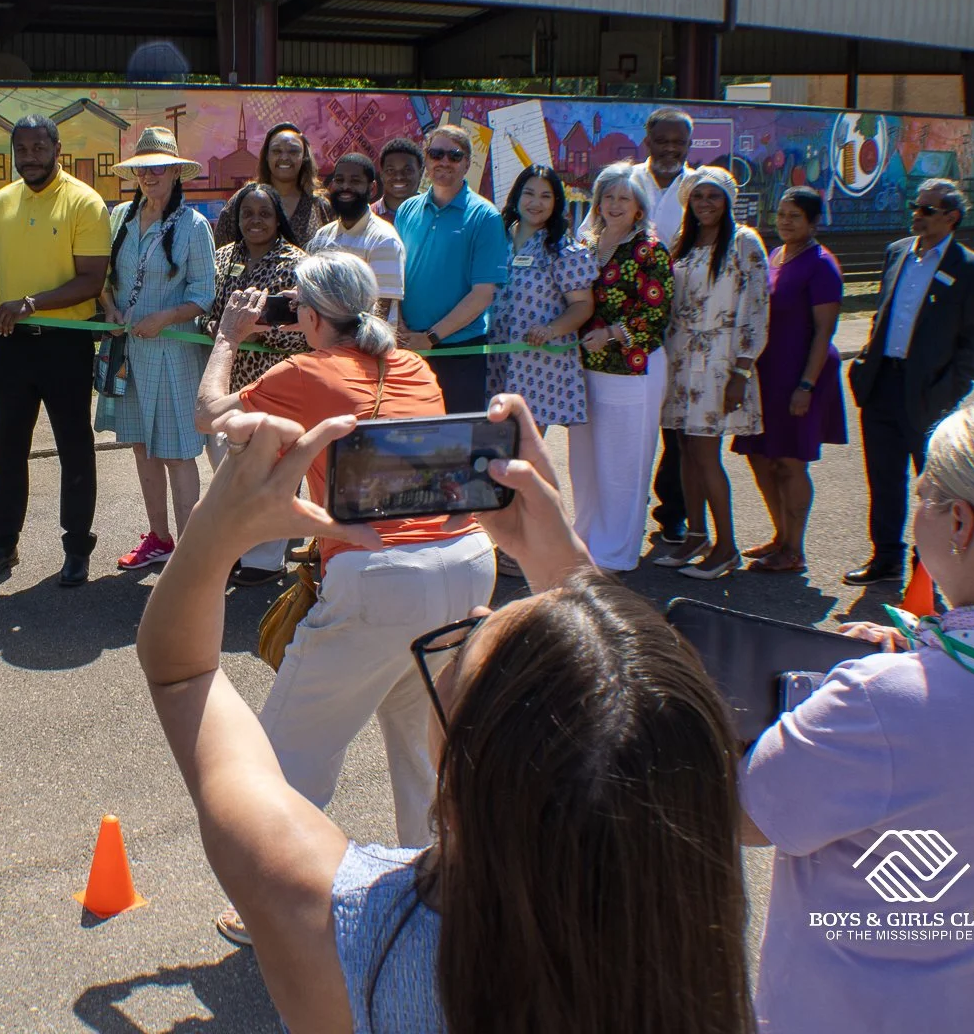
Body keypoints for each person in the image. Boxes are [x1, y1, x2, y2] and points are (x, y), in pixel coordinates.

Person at [137, 392, 751, 1031]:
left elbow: (185, 677)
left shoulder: (339, 923)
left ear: (453, 771)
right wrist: (565, 565)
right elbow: (650, 726)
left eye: (461, 649)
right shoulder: (698, 924)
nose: (479, 613)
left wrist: (214, 526)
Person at [743, 390, 974, 1034]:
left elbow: (741, 816)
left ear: (960, 523)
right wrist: (914, 651)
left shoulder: (878, 702)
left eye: (925, 493)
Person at [196, 251, 494, 859]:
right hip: (463, 564)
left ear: (306, 314)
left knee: (282, 756)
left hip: (379, 576)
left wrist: (229, 337)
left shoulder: (305, 372)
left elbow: (210, 415)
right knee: (423, 744)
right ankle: (437, 881)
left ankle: (278, 901)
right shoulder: (413, 365)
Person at [0, 116, 111, 587]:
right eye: (21, 148)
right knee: (8, 448)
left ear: (56, 147)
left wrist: (31, 304)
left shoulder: (85, 201)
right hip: (13, 346)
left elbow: (91, 280)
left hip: (66, 343)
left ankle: (77, 548)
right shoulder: (0, 203)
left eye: (39, 146)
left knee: (74, 449)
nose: (30, 156)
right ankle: (2, 545)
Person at [842, 177, 974, 585]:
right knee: (884, 479)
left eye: (927, 210)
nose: (917, 215)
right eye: (916, 206)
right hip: (882, 384)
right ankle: (885, 558)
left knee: (936, 491)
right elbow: (883, 314)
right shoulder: (897, 253)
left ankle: (927, 570)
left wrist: (948, 394)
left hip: (928, 393)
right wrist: (862, 363)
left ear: (951, 217)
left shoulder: (972, 271)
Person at [97, 127, 215, 571]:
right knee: (142, 448)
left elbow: (204, 293)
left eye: (158, 166)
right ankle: (159, 538)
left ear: (175, 171)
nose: (150, 174)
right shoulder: (120, 220)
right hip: (128, 352)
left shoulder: (193, 225)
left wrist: (163, 318)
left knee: (178, 452)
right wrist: (109, 309)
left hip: (174, 355)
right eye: (143, 167)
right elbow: (104, 279)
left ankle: (190, 550)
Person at [652, 166, 769, 581]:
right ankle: (697, 534)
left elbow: (755, 307)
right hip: (682, 359)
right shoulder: (681, 243)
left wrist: (742, 368)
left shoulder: (743, 242)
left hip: (720, 362)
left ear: (728, 201)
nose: (705, 204)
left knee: (705, 453)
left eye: (713, 196)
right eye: (698, 197)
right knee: (684, 447)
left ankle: (727, 547)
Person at [733, 186, 848, 573]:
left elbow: (823, 332)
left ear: (814, 222)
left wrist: (806, 386)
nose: (785, 221)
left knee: (790, 461)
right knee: (760, 458)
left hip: (801, 374)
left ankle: (795, 550)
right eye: (781, 214)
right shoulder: (776, 255)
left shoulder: (821, 264)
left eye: (794, 216)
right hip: (767, 373)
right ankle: (779, 536)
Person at [565, 161, 673, 572]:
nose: (613, 204)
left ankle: (615, 552)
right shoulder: (587, 243)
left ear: (638, 208)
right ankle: (587, 542)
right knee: (586, 463)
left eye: (622, 198)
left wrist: (611, 334)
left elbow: (657, 313)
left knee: (623, 465)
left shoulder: (649, 249)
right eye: (607, 197)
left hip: (632, 370)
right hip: (587, 369)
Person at [204, 183, 309, 587]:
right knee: (231, 471)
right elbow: (206, 309)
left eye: (265, 213)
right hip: (227, 381)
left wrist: (256, 334)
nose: (255, 221)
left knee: (273, 470)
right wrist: (214, 326)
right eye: (248, 213)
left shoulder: (296, 263)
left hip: (274, 382)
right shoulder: (223, 257)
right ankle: (239, 548)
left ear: (278, 218)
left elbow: (303, 330)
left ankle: (265, 560)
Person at [392, 125, 508, 413]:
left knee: (454, 443)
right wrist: (400, 327)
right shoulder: (407, 210)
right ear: (426, 159)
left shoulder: (486, 216)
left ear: (468, 163)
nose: (444, 161)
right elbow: (394, 276)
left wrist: (430, 337)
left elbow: (483, 294)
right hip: (408, 346)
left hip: (459, 352)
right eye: (436, 153)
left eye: (454, 156)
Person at [630, 108, 697, 547]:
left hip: (685, 327)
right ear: (648, 141)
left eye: (680, 142)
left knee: (677, 429)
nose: (671, 149)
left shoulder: (701, 186)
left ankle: (672, 512)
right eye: (663, 140)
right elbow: (590, 235)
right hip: (627, 325)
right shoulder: (624, 180)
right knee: (629, 425)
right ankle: (624, 513)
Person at [486, 163, 595, 431]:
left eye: (546, 196)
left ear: (557, 202)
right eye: (529, 193)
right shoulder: (495, 239)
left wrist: (550, 330)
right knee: (494, 446)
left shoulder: (563, 250)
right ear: (516, 197)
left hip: (537, 367)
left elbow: (583, 305)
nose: (536, 203)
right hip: (495, 360)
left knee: (525, 449)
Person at [307, 152, 404, 311]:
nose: (345, 187)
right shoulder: (323, 235)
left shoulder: (384, 240)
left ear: (372, 189)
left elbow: (381, 312)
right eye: (339, 180)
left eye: (355, 181)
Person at [211, 122, 332, 248]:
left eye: (293, 151)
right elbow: (220, 253)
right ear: (267, 156)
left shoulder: (320, 206)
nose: (284, 157)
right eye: (276, 151)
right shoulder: (243, 201)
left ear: (304, 157)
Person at [374, 136, 424, 219]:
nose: (399, 176)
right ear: (382, 175)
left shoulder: (434, 215)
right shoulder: (367, 217)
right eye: (390, 170)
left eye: (408, 170)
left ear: (420, 173)